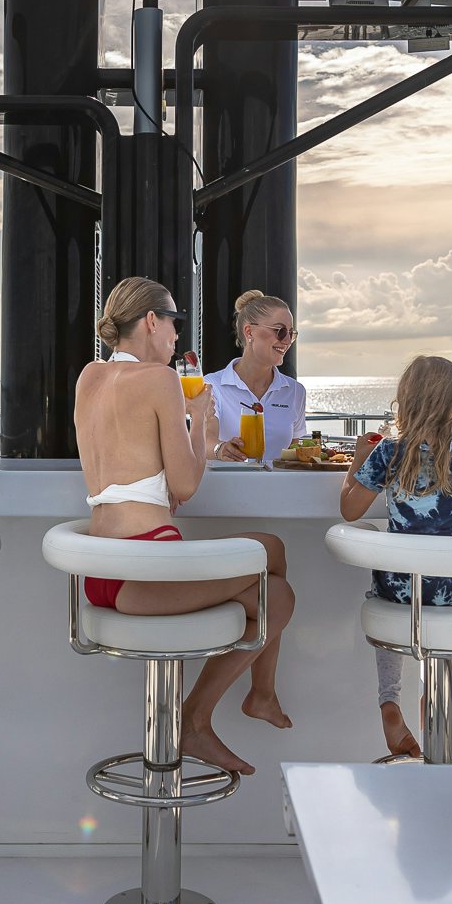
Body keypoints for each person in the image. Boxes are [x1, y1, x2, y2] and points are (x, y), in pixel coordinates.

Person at [74, 276, 298, 776]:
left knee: (272, 574)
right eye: (174, 323)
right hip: (147, 563)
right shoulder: (160, 381)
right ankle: (201, 717)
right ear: (151, 321)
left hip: (99, 569)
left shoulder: (89, 376)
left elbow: (150, 482)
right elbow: (186, 485)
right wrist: (205, 426)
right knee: (277, 580)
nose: (178, 336)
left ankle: (255, 697)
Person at [339, 355, 452, 759]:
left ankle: (390, 701)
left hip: (403, 592)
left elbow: (349, 509)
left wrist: (356, 462)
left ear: (406, 399)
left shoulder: (388, 454)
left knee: (385, 591)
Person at [207, 290, 308, 462]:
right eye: (280, 331)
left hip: (280, 488)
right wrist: (221, 449)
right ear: (249, 332)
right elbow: (204, 439)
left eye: (291, 334)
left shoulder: (295, 391)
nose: (286, 341)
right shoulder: (212, 385)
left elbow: (293, 453)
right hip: (229, 487)